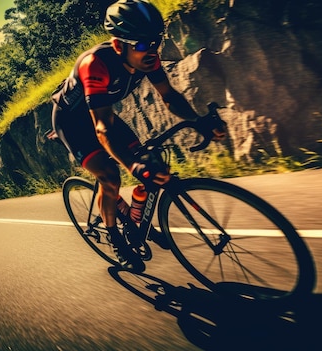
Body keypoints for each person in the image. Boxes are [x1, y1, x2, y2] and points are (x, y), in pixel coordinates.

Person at [51, 0, 225, 272]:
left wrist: (198, 121)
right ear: (119, 45)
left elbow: (169, 96)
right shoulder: (94, 64)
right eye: (142, 45)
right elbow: (101, 129)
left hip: (102, 114)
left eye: (156, 42)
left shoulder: (147, 57)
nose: (152, 51)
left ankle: (135, 217)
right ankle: (115, 237)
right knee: (110, 176)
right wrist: (132, 165)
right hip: (73, 123)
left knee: (155, 164)